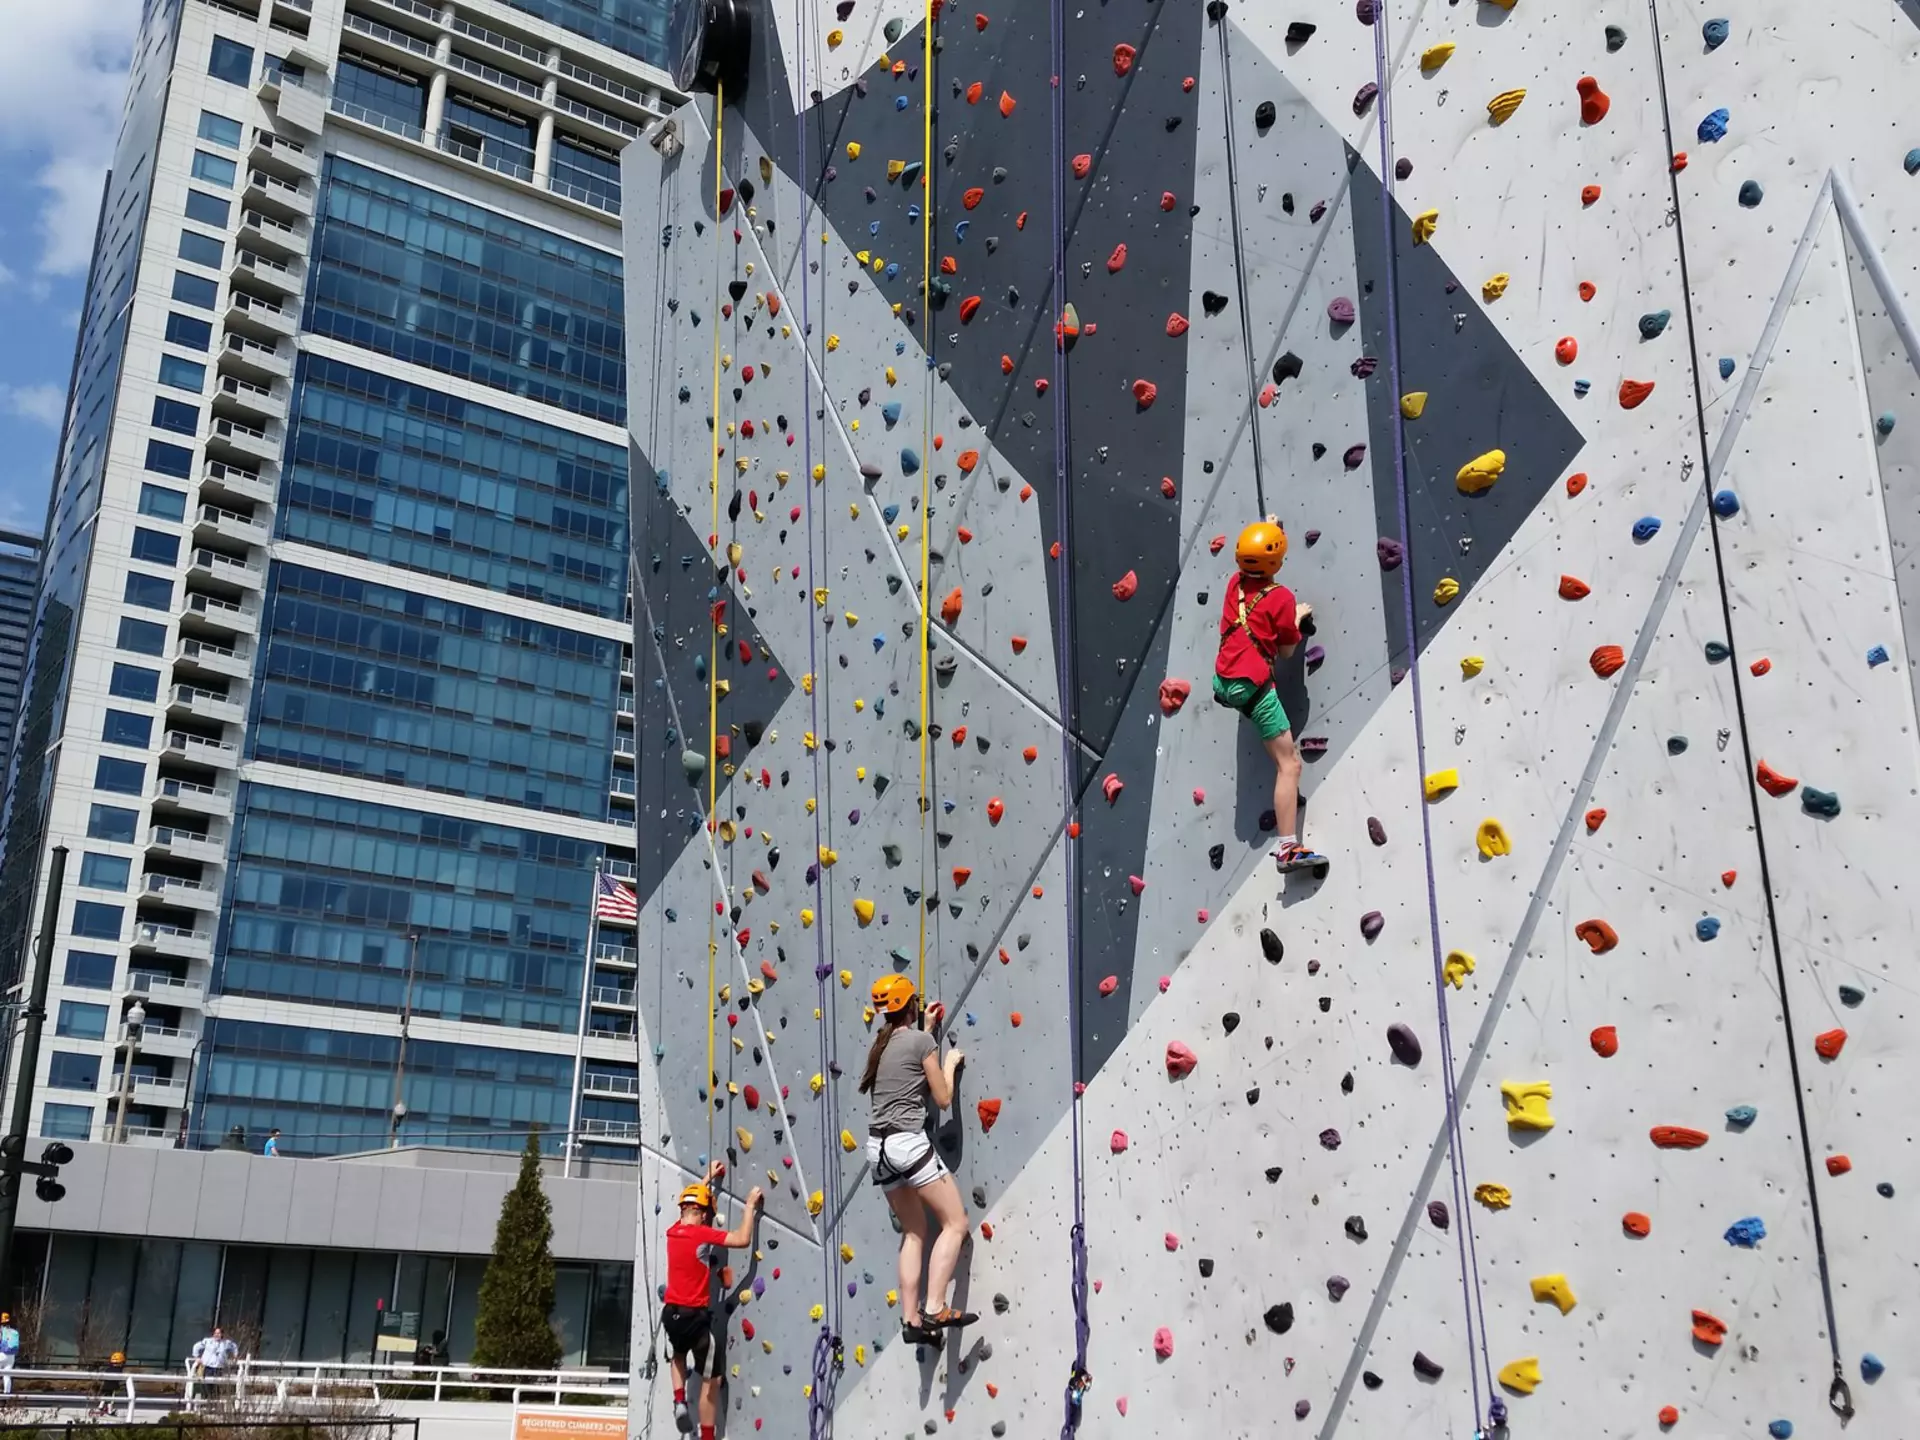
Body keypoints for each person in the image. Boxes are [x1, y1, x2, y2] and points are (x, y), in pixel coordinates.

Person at [861, 974, 975, 1348]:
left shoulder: (881, 1046)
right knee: (955, 1223)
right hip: (906, 1144)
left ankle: (910, 1320)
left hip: (877, 1148)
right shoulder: (921, 1042)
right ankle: (936, 1306)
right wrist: (950, 1063)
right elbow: (941, 1099)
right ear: (910, 1004)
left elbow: (908, 1071)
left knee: (914, 1231)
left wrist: (926, 1029)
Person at [1212, 519, 1327, 874]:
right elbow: (1289, 651)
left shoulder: (1235, 585)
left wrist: (1269, 530)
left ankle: (1289, 845)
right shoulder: (1281, 598)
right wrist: (1297, 617)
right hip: (1255, 688)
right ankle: (1288, 849)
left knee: (1278, 753)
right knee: (1289, 764)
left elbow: (1257, 571)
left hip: (1225, 680)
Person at [663, 1162, 762, 1439]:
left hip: (671, 1314)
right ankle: (707, 1436)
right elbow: (742, 1239)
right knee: (712, 1380)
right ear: (703, 1214)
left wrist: (707, 1178)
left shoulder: (673, 1232)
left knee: (678, 1356)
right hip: (696, 1319)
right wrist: (750, 1206)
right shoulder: (701, 1234)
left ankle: (679, 1400)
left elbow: (691, 1204)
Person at [187, 1325, 238, 1403]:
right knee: (206, 1385)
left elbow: (234, 1346)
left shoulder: (226, 1343)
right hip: (207, 1367)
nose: (217, 1335)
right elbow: (196, 1346)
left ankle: (214, 1403)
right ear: (213, 1334)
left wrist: (235, 1355)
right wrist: (197, 1357)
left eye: (219, 1333)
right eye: (215, 1333)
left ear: (222, 1334)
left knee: (216, 1386)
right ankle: (205, 1402)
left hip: (218, 1367)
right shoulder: (207, 1341)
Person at [0, 1310, 19, 1395]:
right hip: (11, 1356)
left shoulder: (1, 1330)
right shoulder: (14, 1331)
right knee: (7, 1375)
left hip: (2, 1354)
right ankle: (7, 1394)